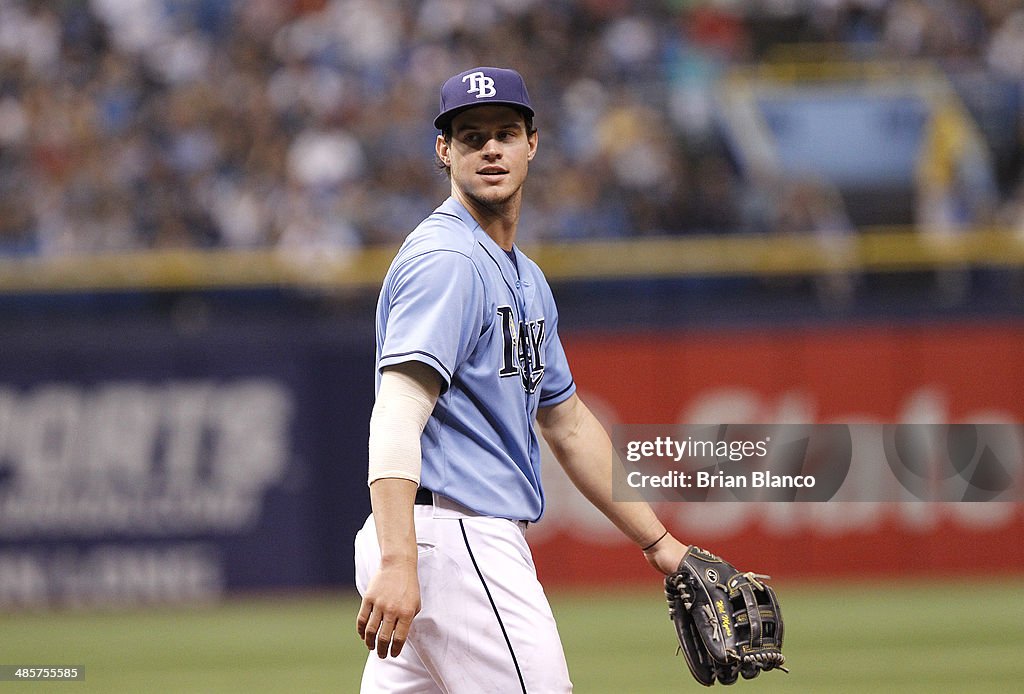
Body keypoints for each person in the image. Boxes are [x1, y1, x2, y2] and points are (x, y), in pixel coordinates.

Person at [354, 66, 689, 693]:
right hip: (453, 540)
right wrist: (401, 559)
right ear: (443, 151)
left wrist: (660, 543)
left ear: (531, 144)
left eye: (504, 133)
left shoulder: (524, 276)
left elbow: (565, 421)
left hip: (440, 541)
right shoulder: (448, 261)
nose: (489, 149)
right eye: (471, 135)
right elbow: (398, 411)